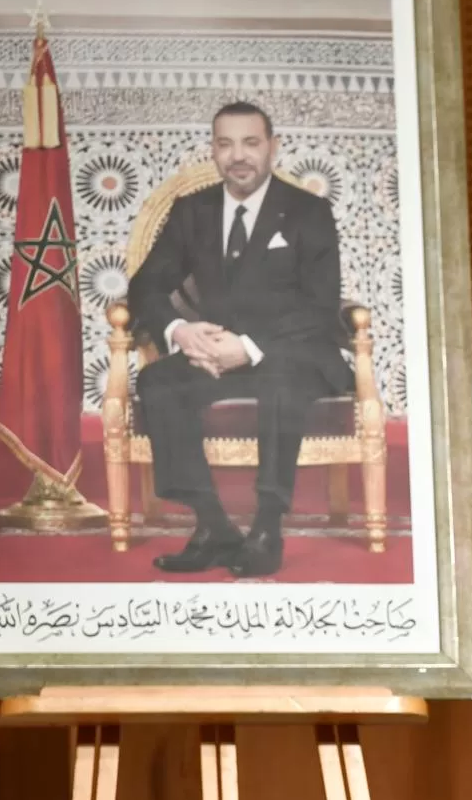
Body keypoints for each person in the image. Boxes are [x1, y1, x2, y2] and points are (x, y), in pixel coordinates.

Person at [128, 101, 352, 577]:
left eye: (251, 142)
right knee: (158, 383)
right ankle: (213, 525)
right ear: (213, 150)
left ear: (273, 146)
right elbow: (145, 285)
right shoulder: (194, 210)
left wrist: (247, 347)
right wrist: (181, 332)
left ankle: (267, 527)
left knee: (280, 379)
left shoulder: (309, 211)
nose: (239, 156)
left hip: (296, 353)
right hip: (215, 354)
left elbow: (318, 305)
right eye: (225, 143)